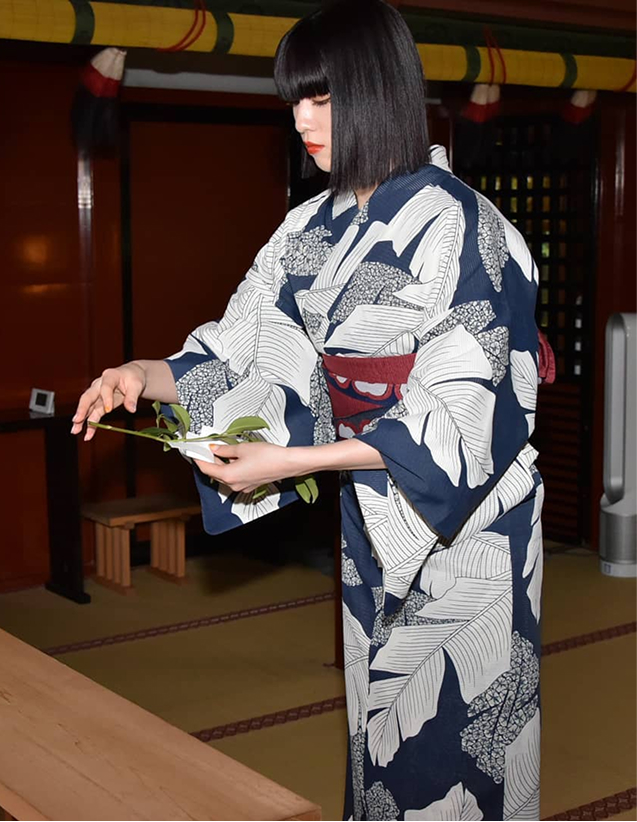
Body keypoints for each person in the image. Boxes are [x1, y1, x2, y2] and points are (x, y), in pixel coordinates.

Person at [72, 1, 543, 818]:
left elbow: (466, 410)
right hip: (371, 514)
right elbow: (237, 350)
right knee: (376, 736)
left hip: (469, 533)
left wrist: (292, 460)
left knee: (457, 743)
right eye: (295, 99)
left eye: (322, 99)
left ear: (378, 92)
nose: (302, 120)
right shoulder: (306, 230)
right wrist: (137, 376)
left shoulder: (467, 227)